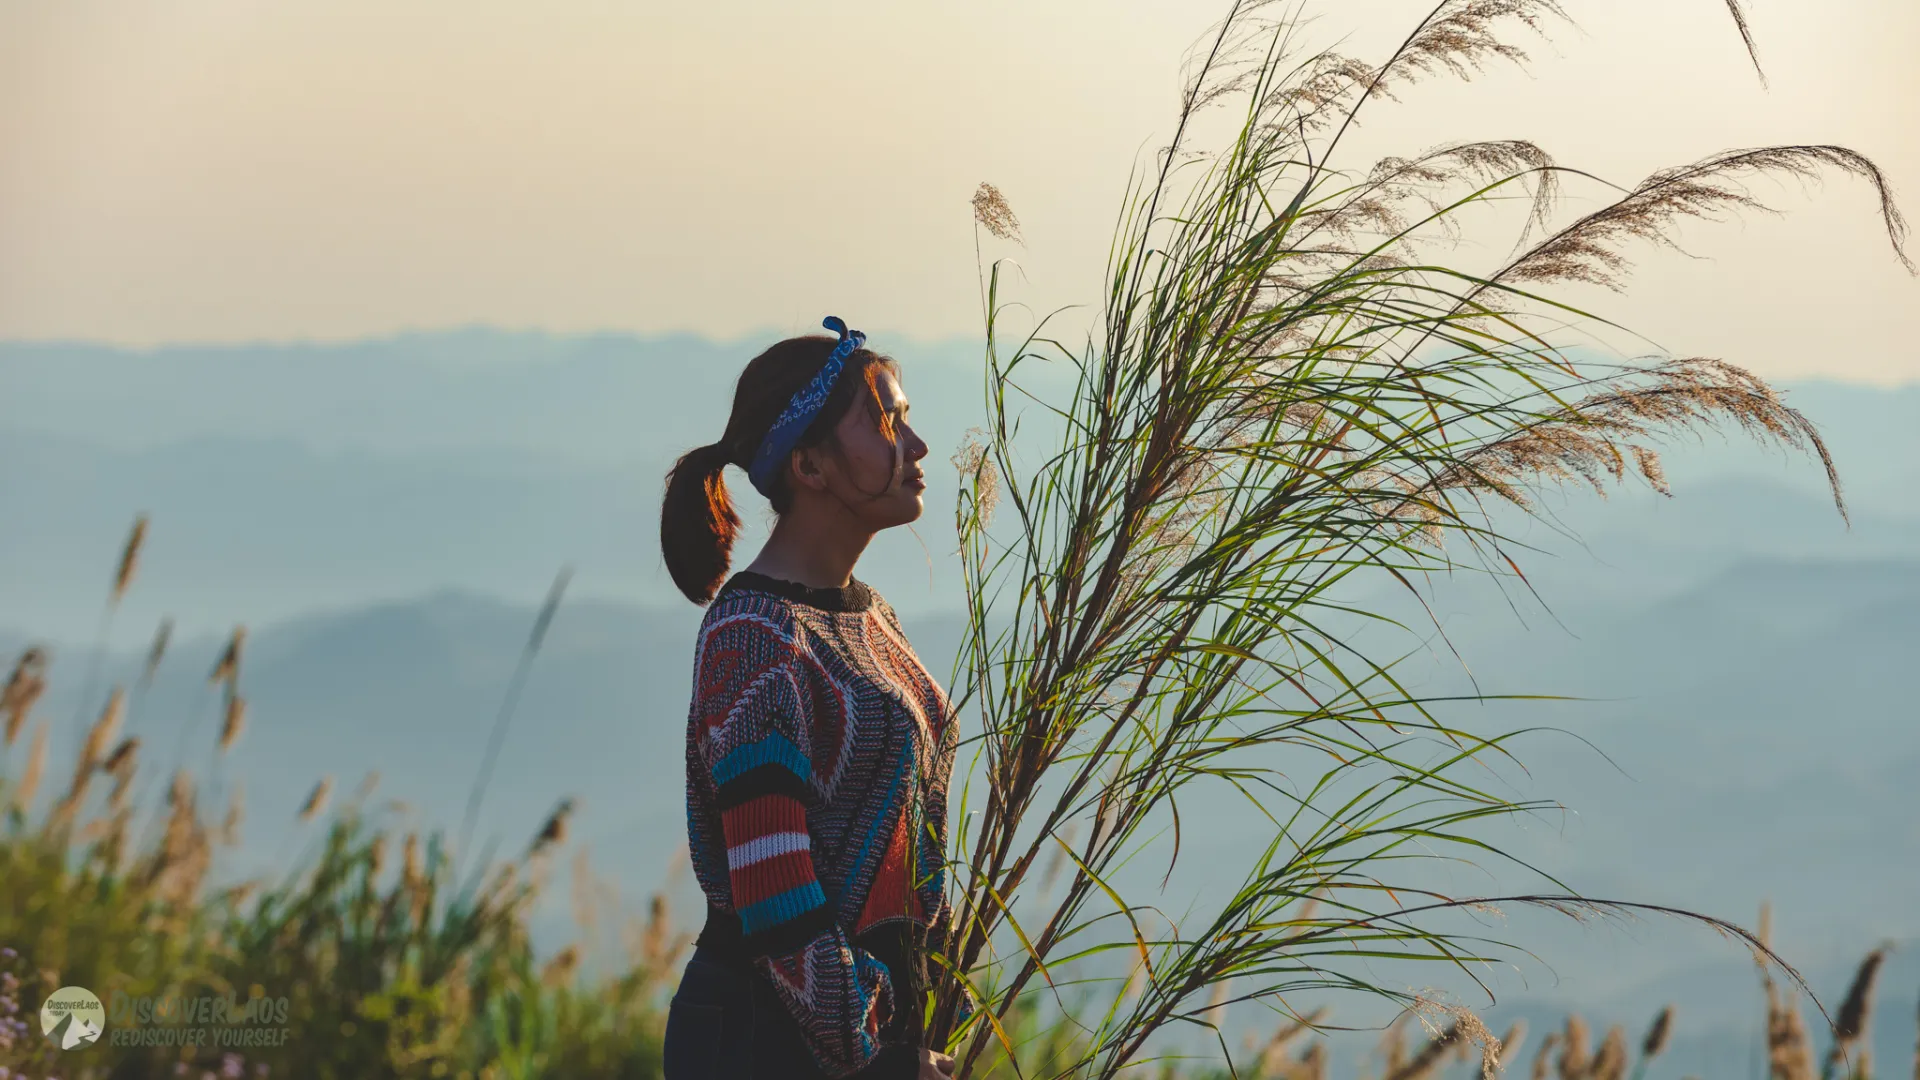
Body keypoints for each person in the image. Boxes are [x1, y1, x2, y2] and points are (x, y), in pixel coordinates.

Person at [657, 316, 960, 1080]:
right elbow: (774, 893)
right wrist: (870, 1059)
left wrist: (937, 996)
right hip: (765, 1044)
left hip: (871, 1040)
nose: (915, 447)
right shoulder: (752, 637)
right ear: (811, 466)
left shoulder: (873, 616)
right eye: (887, 420)